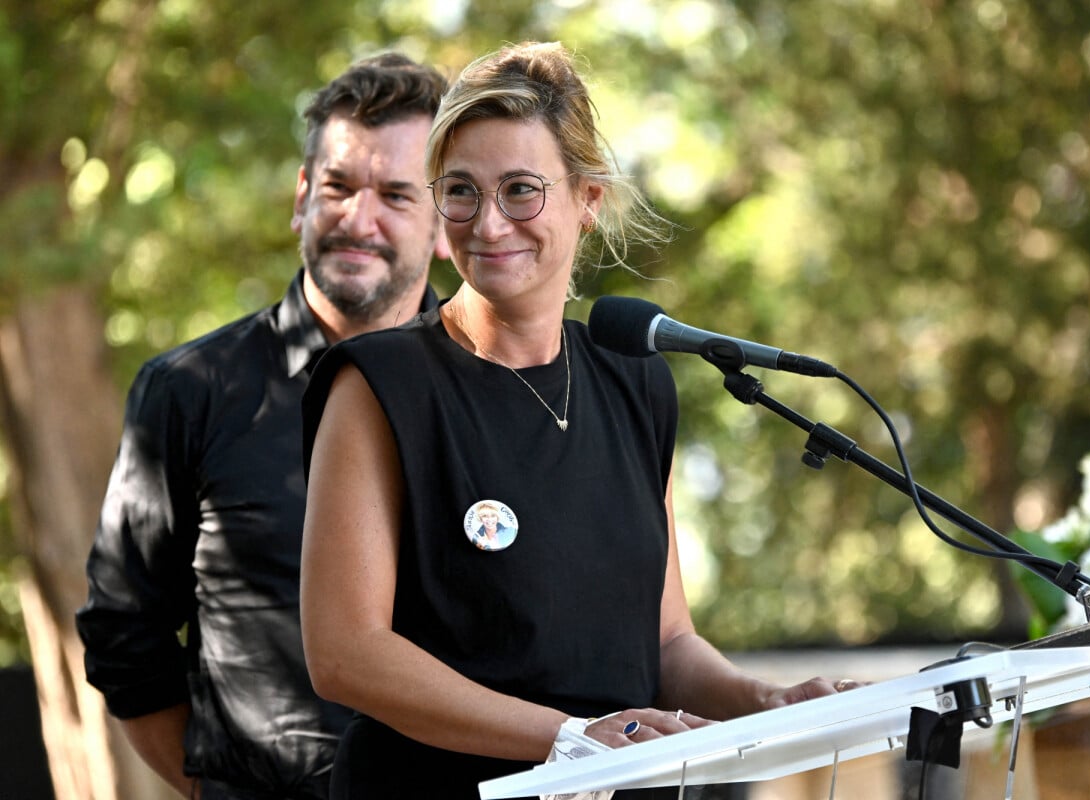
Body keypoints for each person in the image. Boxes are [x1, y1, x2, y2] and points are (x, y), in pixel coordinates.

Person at [299, 41, 858, 800]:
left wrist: (762, 701)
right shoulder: (380, 386)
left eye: (521, 190)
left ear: (588, 199)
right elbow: (346, 654)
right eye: (460, 191)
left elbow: (665, 643)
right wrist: (565, 738)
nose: (489, 224)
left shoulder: (636, 381)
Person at [74, 52, 449, 800]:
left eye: (397, 196)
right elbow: (125, 643)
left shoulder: (497, 392)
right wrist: (219, 787)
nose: (357, 219)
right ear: (302, 196)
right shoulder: (188, 391)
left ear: (445, 224)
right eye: (338, 187)